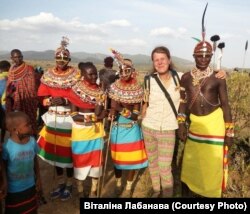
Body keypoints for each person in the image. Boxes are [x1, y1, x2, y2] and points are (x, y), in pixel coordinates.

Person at [141, 46, 227, 198]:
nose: (160, 63)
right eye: (156, 60)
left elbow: (199, 78)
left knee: (165, 166)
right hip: (149, 126)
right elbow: (144, 104)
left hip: (168, 128)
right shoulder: (148, 80)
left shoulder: (180, 77)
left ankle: (167, 195)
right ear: (153, 63)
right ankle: (156, 191)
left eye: (163, 59)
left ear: (169, 60)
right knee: (152, 163)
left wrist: (220, 72)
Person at [178, 40, 233, 198]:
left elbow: (226, 105)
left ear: (211, 57)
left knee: (213, 164)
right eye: (200, 56)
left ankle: (210, 194)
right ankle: (190, 193)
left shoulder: (218, 77)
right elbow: (183, 103)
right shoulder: (186, 78)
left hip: (215, 127)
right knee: (191, 163)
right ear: (194, 56)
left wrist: (229, 132)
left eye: (207, 56)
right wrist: (181, 124)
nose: (203, 59)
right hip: (195, 126)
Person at [37, 37, 80, 201]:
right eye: (58, 57)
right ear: (55, 58)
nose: (61, 60)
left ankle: (69, 184)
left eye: (64, 58)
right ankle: (61, 183)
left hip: (69, 119)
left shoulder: (76, 75)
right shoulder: (48, 75)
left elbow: (80, 97)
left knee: (67, 154)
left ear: (69, 59)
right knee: (55, 154)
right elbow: (41, 97)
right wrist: (49, 101)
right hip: (53, 118)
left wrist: (66, 101)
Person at [108, 56, 148, 198]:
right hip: (117, 128)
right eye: (122, 70)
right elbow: (112, 107)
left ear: (132, 71)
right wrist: (111, 113)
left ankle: (129, 187)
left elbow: (135, 115)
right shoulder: (113, 87)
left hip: (131, 129)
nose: (124, 73)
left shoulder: (137, 88)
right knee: (117, 159)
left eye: (127, 70)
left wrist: (120, 109)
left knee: (132, 160)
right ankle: (118, 184)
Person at [68, 62, 107, 198]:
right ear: (82, 75)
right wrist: (94, 119)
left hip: (96, 132)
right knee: (80, 161)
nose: (93, 76)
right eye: (90, 74)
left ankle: (93, 191)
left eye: (95, 73)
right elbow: (74, 115)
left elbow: (99, 113)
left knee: (96, 162)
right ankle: (80, 191)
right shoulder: (75, 90)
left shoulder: (100, 91)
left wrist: (100, 103)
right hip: (80, 132)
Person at [2, 111, 41, 213]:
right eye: (27, 125)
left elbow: (34, 159)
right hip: (14, 190)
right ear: (15, 130)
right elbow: (3, 167)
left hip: (30, 186)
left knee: (31, 210)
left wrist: (38, 178)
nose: (30, 126)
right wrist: (5, 183)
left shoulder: (32, 141)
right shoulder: (7, 147)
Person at [5, 50, 38, 136]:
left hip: (26, 100)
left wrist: (19, 92)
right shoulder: (11, 69)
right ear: (11, 58)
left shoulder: (29, 69)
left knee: (28, 121)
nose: (18, 59)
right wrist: (10, 93)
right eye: (16, 57)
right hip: (13, 100)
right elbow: (9, 84)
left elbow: (32, 87)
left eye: (20, 57)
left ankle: (31, 140)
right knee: (15, 122)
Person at [0, 60, 10, 144]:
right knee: (5, 123)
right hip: (7, 104)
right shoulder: (12, 77)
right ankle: (4, 140)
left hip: (1, 104)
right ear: (8, 68)